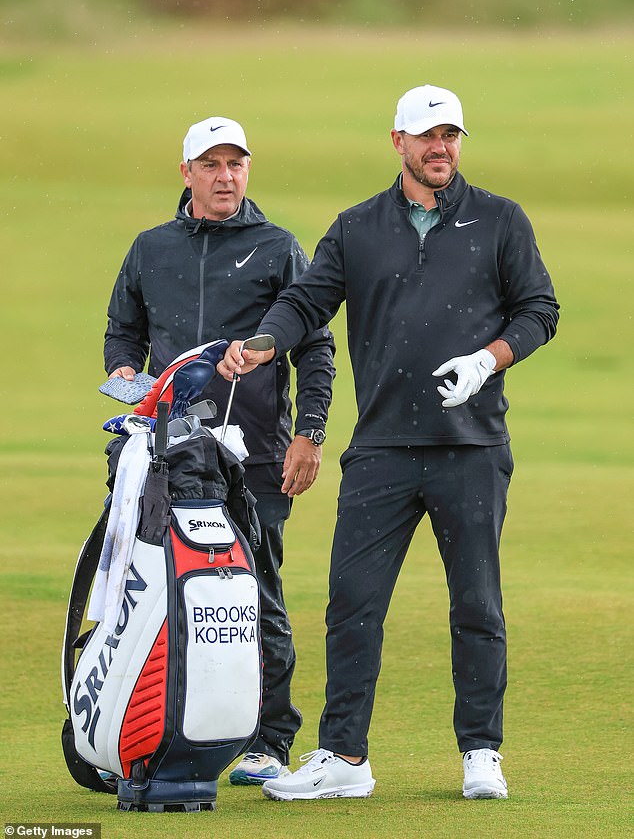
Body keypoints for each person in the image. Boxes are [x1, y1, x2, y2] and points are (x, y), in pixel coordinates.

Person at [218, 86, 559, 801]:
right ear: (399, 141)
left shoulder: (499, 220)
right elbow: (306, 301)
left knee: (477, 604)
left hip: (472, 446)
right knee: (353, 603)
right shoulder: (357, 228)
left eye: (451, 135)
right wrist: (265, 342)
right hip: (381, 448)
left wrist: (488, 359)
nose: (442, 148)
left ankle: (481, 752)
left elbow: (539, 309)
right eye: (428, 136)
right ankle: (344, 757)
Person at [104, 116, 336, 785]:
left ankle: (270, 738)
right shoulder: (151, 248)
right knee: (157, 593)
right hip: (168, 454)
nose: (225, 176)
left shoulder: (277, 248)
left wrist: (309, 434)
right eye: (211, 164)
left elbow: (315, 347)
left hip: (254, 456)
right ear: (187, 174)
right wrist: (124, 370)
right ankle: (157, 729)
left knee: (254, 591)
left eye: (235, 163)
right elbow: (123, 330)